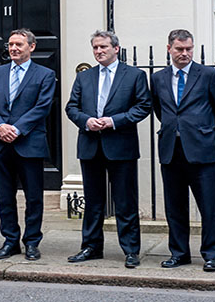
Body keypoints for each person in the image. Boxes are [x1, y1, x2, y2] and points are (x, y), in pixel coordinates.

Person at [65, 31, 151, 268]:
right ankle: (91, 247)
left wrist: (114, 121)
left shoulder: (134, 75)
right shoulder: (85, 77)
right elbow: (71, 107)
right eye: (95, 48)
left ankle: (131, 250)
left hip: (121, 146)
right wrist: (85, 121)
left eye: (103, 47)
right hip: (90, 145)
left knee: (125, 202)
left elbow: (143, 106)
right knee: (93, 202)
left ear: (116, 48)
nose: (99, 51)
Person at [150, 29, 215, 272]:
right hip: (170, 150)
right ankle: (179, 253)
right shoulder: (158, 78)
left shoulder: (208, 75)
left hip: (202, 151)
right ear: (169, 49)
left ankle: (211, 254)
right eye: (179, 49)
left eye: (188, 49)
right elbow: (159, 109)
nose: (184, 53)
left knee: (208, 207)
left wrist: (203, 130)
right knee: (175, 207)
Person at [0, 28, 55, 261]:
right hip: (0, 143)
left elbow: (42, 107)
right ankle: (10, 240)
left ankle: (32, 241)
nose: (13, 48)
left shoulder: (44, 74)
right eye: (11, 44)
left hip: (29, 143)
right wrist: (0, 127)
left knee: (34, 197)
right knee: (5, 196)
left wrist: (16, 128)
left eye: (19, 45)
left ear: (31, 47)